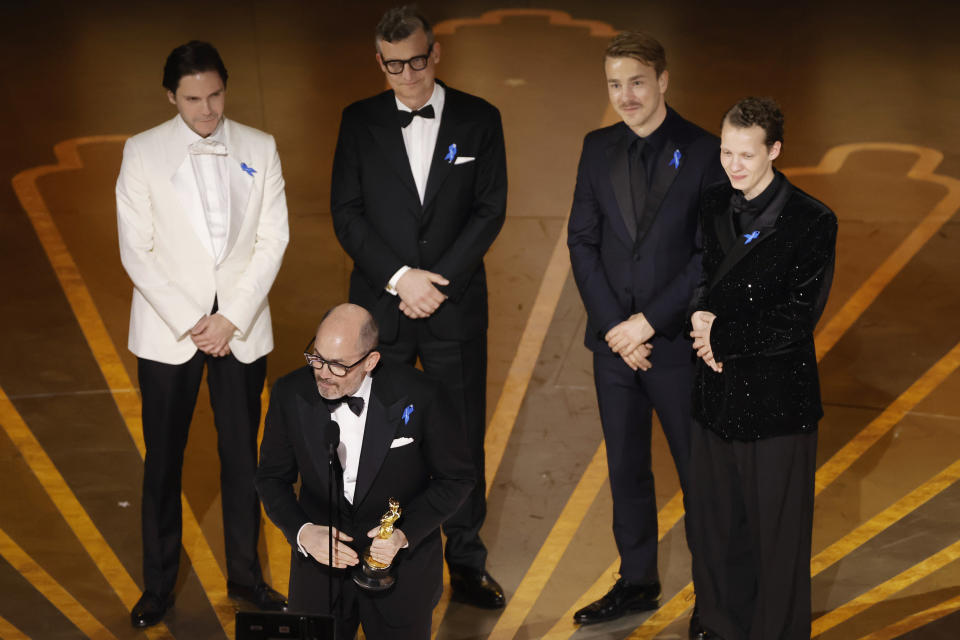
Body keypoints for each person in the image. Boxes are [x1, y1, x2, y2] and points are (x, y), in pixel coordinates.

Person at [329, 5, 507, 608]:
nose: (406, 76)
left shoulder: (481, 119)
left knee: (460, 438)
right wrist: (403, 279)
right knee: (378, 440)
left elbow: (489, 211)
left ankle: (466, 561)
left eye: (416, 60)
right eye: (392, 65)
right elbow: (346, 215)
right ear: (378, 63)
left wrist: (437, 282)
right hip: (382, 311)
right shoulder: (358, 122)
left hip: (453, 309)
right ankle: (379, 554)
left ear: (436, 53)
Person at [116, 40, 289, 628]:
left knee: (244, 459)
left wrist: (230, 317)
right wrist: (194, 321)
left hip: (238, 330)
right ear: (172, 96)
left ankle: (248, 578)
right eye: (193, 98)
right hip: (171, 335)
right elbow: (136, 252)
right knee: (163, 462)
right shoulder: (141, 153)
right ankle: (158, 587)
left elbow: (273, 242)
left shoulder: (260, 148)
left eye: (215, 95)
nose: (207, 109)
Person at [567, 31, 724, 633]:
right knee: (627, 469)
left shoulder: (705, 151)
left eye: (636, 82)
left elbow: (709, 254)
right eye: (614, 85)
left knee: (697, 476)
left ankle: (713, 599)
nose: (625, 96)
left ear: (663, 80)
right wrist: (614, 328)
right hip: (614, 349)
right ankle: (637, 582)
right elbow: (582, 241)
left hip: (677, 346)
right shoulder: (596, 146)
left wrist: (647, 323)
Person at [688, 97, 837, 640]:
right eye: (726, 152)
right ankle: (720, 625)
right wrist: (700, 317)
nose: (733, 166)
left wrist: (718, 336)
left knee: (777, 539)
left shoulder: (813, 220)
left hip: (777, 406)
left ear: (774, 150)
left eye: (746, 155)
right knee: (716, 527)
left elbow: (798, 319)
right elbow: (704, 275)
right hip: (714, 396)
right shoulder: (712, 203)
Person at [255, 304, 474, 640]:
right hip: (319, 576)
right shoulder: (290, 394)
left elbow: (456, 478)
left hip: (400, 575)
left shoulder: (421, 395)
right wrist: (303, 532)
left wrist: (404, 534)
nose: (323, 373)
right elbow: (271, 478)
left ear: (370, 362)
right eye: (317, 357)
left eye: (339, 365)